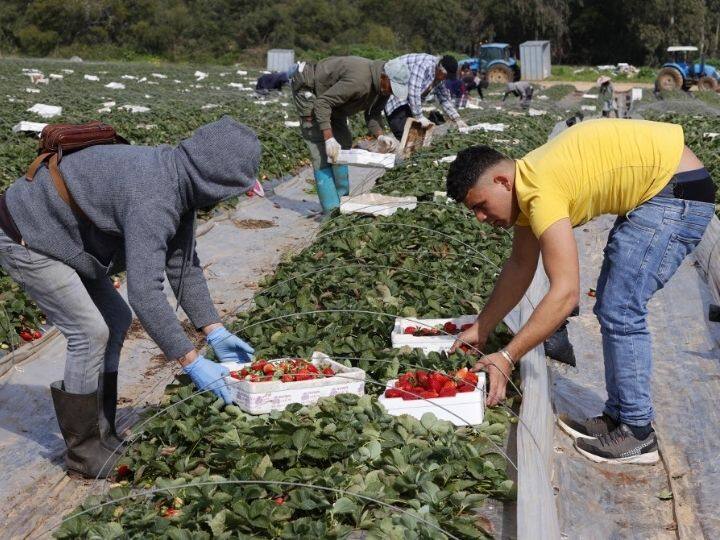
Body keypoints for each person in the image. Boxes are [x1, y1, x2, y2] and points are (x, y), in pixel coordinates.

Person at [0, 117, 260, 478]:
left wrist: (213, 330)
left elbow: (183, 266)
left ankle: (103, 428)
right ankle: (84, 452)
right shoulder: (154, 197)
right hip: (27, 234)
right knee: (89, 331)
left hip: (69, 237)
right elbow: (145, 293)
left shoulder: (179, 178)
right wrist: (191, 361)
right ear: (214, 182)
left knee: (115, 320)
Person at [446, 119, 716, 464]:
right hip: (661, 189)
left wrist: (507, 356)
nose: (481, 218)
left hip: (676, 193)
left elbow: (566, 293)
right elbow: (519, 266)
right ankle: (619, 417)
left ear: (502, 181)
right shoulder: (527, 184)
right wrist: (482, 327)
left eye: (480, 205)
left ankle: (637, 433)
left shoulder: (541, 189)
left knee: (621, 307)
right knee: (613, 305)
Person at [290, 56, 409, 214]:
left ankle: (342, 202)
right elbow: (322, 103)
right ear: (384, 77)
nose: (391, 92)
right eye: (391, 87)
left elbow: (373, 113)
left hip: (331, 99)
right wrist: (329, 138)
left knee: (344, 144)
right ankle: (331, 211)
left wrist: (380, 135)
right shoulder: (359, 81)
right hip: (310, 88)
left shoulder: (383, 88)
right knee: (321, 151)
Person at [384, 54, 468, 139]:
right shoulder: (424, 65)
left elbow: (444, 99)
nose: (444, 79)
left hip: (406, 97)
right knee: (403, 131)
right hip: (393, 88)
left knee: (413, 133)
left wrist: (457, 118)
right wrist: (419, 116)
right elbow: (413, 91)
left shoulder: (439, 76)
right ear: (440, 69)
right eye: (445, 76)